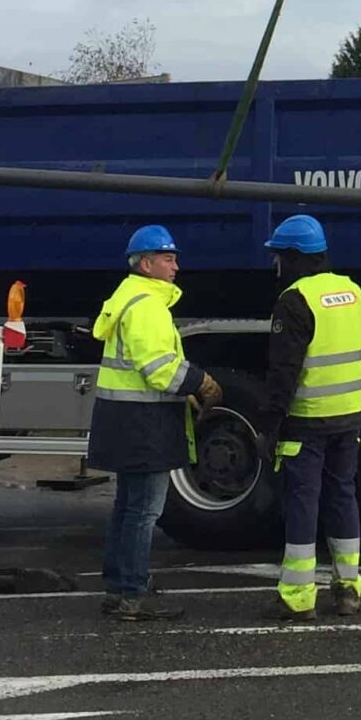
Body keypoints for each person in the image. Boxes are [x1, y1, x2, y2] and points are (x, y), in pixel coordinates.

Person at [87, 225, 221, 623]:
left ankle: (119, 589)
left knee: (128, 509)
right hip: (145, 425)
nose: (176, 266)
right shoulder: (147, 305)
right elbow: (158, 367)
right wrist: (202, 382)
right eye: (168, 258)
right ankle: (132, 594)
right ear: (146, 263)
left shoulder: (129, 298)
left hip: (125, 422)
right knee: (144, 512)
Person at [259, 214, 361, 621]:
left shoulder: (294, 300)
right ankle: (348, 589)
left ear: (293, 258)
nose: (274, 265)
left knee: (303, 502)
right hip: (349, 418)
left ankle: (297, 597)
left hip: (306, 420)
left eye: (277, 257)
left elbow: (283, 373)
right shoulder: (354, 293)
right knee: (343, 496)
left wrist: (269, 426)